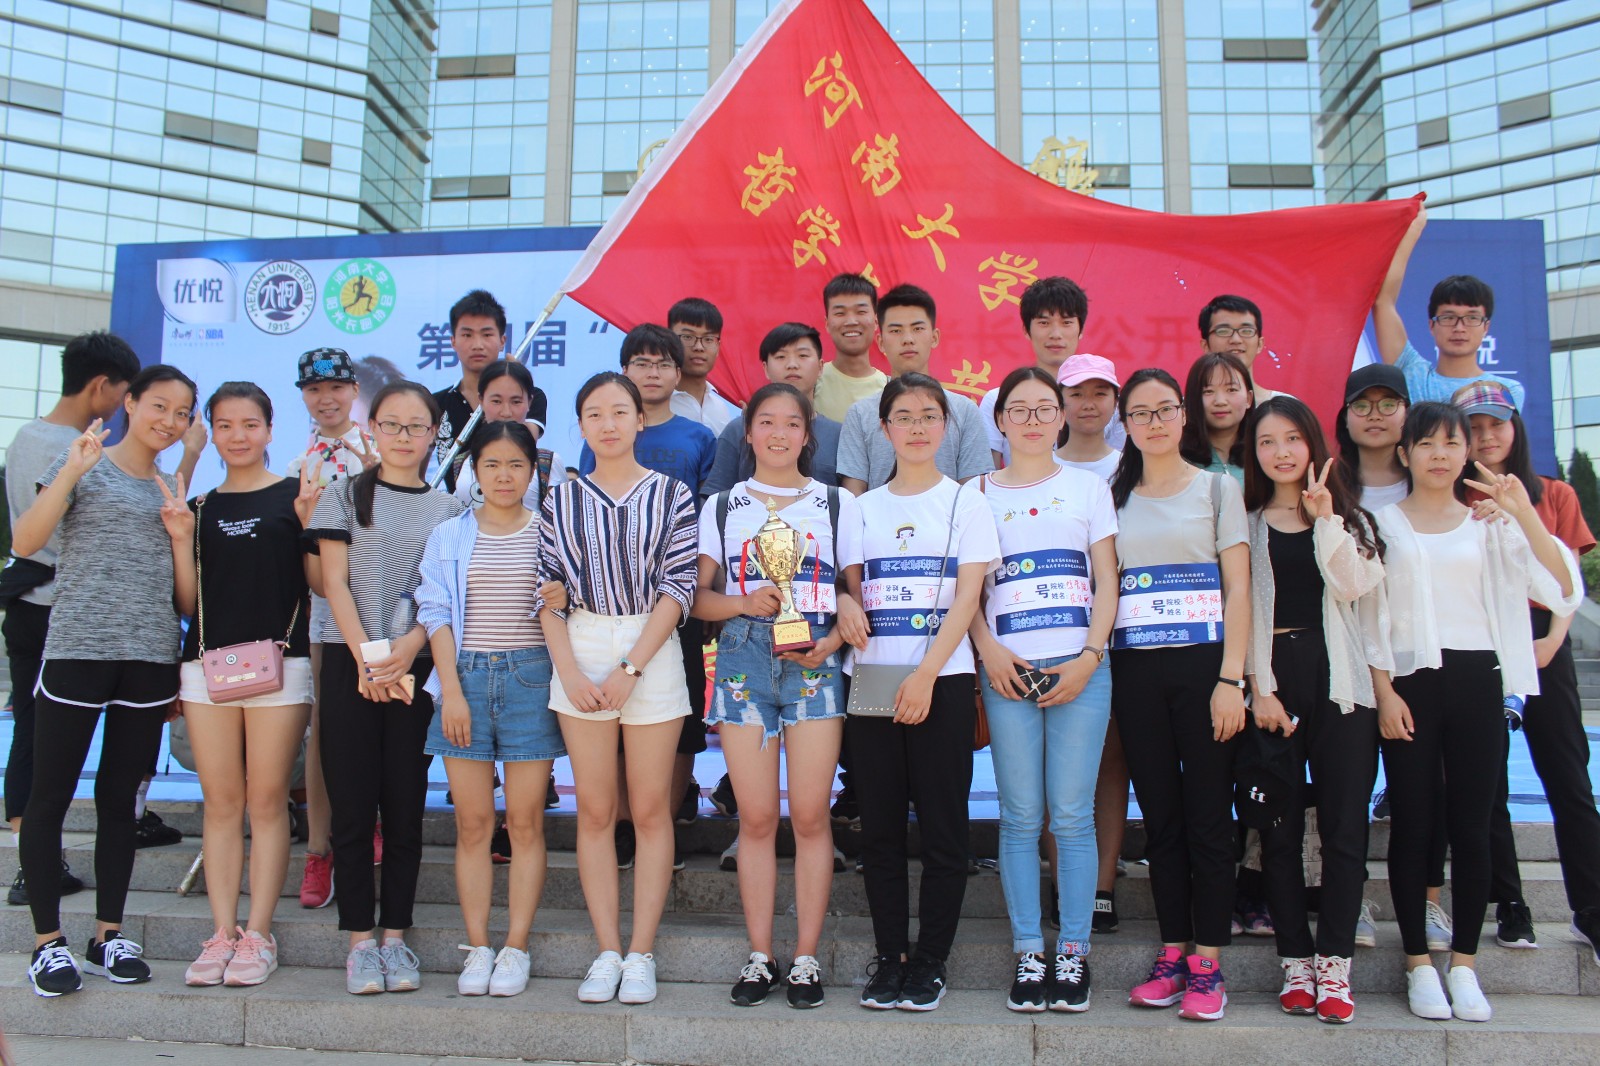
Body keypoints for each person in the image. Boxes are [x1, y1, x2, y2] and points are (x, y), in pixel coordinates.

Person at [1367, 402, 1579, 1022]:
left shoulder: (1491, 524)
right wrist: (1384, 693)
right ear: (1404, 453)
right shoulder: (1380, 524)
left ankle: (1464, 964)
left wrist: (1522, 513)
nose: (1440, 454)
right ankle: (1417, 964)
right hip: (1409, 687)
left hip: (1478, 683)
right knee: (1413, 825)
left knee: (1473, 825)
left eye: (1452, 443)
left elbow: (1562, 587)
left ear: (1467, 453)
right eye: (1426, 443)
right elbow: (1368, 617)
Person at [14, 364, 198, 997]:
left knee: (122, 803)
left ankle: (106, 936)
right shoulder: (84, 462)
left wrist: (181, 535)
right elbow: (26, 540)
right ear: (131, 403)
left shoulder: (173, 487)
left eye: (181, 413)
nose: (169, 421)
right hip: (77, 653)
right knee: (50, 798)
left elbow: (185, 603)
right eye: (159, 406)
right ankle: (47, 943)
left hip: (148, 662)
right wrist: (70, 471)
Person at [693, 383, 862, 1008]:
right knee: (758, 818)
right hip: (742, 660)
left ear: (807, 434)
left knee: (812, 816)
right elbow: (697, 600)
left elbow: (855, 595)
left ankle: (807, 958)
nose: (779, 433)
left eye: (792, 423)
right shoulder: (721, 506)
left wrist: (835, 633)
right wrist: (742, 602)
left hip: (815, 661)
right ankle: (761, 955)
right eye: (767, 422)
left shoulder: (838, 503)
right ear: (749, 433)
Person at [540, 372, 698, 1006]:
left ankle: (641, 954)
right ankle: (607, 950)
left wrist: (630, 668)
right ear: (581, 425)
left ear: (639, 419)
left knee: (652, 809)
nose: (607, 424)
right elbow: (546, 593)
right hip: (578, 645)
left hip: (650, 648)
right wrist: (571, 672)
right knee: (596, 811)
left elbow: (678, 588)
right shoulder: (558, 500)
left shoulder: (672, 494)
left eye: (619, 412)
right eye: (594, 414)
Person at [846, 373, 1001, 1012]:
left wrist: (927, 674)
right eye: (903, 417)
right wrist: (844, 602)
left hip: (944, 680)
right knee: (880, 831)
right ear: (884, 429)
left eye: (928, 416)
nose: (916, 427)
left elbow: (968, 597)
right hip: (872, 683)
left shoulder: (967, 503)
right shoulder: (860, 508)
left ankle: (931, 960)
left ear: (947, 426)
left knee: (944, 831)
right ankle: (890, 958)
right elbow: (849, 585)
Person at [305, 381, 466, 995]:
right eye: (391, 424)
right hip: (352, 664)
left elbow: (445, 596)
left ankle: (395, 938)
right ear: (372, 427)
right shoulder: (344, 495)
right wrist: (371, 660)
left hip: (415, 668)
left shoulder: (449, 509)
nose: (403, 436)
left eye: (416, 426)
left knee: (403, 808)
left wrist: (407, 650)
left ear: (434, 434)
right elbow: (334, 584)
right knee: (351, 809)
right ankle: (358, 942)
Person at [969, 367, 1117, 1013]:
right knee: (1022, 815)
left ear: (1061, 417)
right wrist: (988, 649)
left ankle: (1073, 952)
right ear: (1000, 420)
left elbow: (1106, 580)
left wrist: (1089, 657)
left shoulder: (1089, 488)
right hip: (1007, 670)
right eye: (1019, 409)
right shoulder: (974, 493)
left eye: (1043, 408)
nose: (1032, 420)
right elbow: (968, 591)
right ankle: (1030, 951)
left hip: (1081, 670)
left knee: (1073, 815)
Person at [1109, 368, 1250, 1022]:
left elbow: (1239, 590)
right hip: (1137, 673)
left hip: (1205, 671)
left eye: (1165, 409)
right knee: (1162, 819)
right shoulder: (1114, 497)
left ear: (1183, 415)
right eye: (1141, 413)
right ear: (1126, 424)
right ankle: (1172, 955)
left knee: (1209, 818)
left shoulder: (1218, 489)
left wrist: (1231, 680)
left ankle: (1208, 965)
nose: (1155, 422)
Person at [1242, 396, 1386, 1023]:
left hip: (1341, 683)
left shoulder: (1349, 518)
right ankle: (1295, 964)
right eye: (1267, 442)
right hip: (1274, 682)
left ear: (1313, 445)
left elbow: (1355, 586)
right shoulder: (1246, 523)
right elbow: (1239, 609)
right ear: (1254, 453)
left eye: (1292, 439)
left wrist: (1325, 519)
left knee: (1344, 829)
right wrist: (1259, 688)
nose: (1281, 452)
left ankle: (1334, 967)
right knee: (1277, 829)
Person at [170, 383, 315, 988]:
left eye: (250, 424)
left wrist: (309, 524)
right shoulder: (199, 508)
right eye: (225, 425)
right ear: (211, 432)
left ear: (269, 429)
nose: (238, 436)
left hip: (282, 666)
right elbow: (188, 603)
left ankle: (258, 934)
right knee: (223, 802)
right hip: (207, 669)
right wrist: (180, 537)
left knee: (267, 799)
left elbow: (317, 586)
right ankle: (221, 932)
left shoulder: (295, 497)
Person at [417, 421, 568, 999]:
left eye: (516, 464)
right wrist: (451, 692)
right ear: (473, 471)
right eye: (491, 464)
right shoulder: (450, 534)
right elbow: (436, 612)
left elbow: (569, 605)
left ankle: (516, 946)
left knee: (525, 823)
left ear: (533, 472)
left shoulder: (550, 532)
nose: (504, 475)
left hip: (531, 679)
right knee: (474, 823)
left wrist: (564, 595)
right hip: (467, 680)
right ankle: (478, 946)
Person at [1455, 383, 1600, 961]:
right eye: (1474, 428)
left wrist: (1552, 642)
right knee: (1488, 780)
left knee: (1568, 776)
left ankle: (1591, 908)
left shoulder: (1553, 493)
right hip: (1482, 641)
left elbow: (1568, 581)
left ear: (1515, 428)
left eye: (1496, 424)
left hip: (1543, 639)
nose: (1487, 437)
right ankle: (1510, 904)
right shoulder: (1453, 498)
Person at [3, 331, 139, 908]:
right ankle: (35, 864)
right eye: (125, 393)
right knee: (49, 740)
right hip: (63, 608)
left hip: (27, 602)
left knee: (29, 730)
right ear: (101, 387)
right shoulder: (80, 448)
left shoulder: (23, 437)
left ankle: (32, 858)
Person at [579, 325, 716, 866]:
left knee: (678, 722)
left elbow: (708, 519)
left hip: (677, 600)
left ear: (678, 374)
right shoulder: (600, 439)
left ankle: (665, 819)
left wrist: (703, 590)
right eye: (641, 362)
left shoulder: (699, 437)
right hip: (608, 608)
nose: (652, 372)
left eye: (662, 364)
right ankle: (621, 826)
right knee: (612, 722)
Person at [286, 347, 377, 911]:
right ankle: (319, 850)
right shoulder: (299, 465)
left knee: (383, 731)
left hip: (384, 615)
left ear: (354, 391)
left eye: (337, 388)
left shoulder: (381, 453)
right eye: (315, 390)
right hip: (324, 619)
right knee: (324, 735)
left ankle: (372, 826)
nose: (327, 399)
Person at [837, 285, 992, 494]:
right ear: (881, 342)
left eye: (917, 329)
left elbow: (973, 494)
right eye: (896, 331)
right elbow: (852, 498)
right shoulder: (860, 414)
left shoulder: (964, 410)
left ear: (934, 337)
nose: (908, 339)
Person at [1374, 205, 1526, 409]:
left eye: (1472, 318)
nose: (1459, 328)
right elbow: (1383, 302)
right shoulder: (1412, 373)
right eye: (1448, 317)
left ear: (1486, 327)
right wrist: (1413, 230)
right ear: (1432, 325)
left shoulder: (1505, 390)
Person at [433, 290, 550, 491]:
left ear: (502, 341)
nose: (477, 345)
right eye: (467, 335)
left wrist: (516, 379)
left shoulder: (529, 396)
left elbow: (522, 441)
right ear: (453, 341)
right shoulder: (435, 404)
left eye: (487, 334)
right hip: (454, 507)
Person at [704, 322, 842, 493]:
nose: (792, 364)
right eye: (781, 357)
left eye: (802, 355)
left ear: (820, 367)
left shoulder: (838, 435)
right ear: (766, 368)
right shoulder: (739, 429)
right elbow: (715, 495)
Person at [977, 276, 1090, 466]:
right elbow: (988, 474)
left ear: (1081, 329)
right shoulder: (998, 400)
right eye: (1044, 323)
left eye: (1066, 322)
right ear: (1026, 330)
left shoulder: (1103, 403)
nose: (1056, 334)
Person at [452, 360, 567, 511]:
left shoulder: (548, 463)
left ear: (529, 402)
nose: (506, 412)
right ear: (481, 401)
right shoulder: (462, 462)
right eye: (496, 401)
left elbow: (561, 520)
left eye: (516, 401)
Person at [1336, 363, 1412, 514]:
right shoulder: (1329, 485)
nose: (1375, 416)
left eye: (1388, 405)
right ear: (1345, 418)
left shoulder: (1425, 481)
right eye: (1361, 406)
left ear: (1406, 414)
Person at [813, 273, 887, 422]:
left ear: (876, 321)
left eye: (861, 312)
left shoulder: (889, 388)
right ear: (827, 323)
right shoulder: (812, 383)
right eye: (840, 313)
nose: (851, 321)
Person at [667, 297, 740, 433]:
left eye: (708, 339)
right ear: (669, 341)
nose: (699, 347)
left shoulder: (721, 409)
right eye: (688, 337)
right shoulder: (657, 403)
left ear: (718, 347)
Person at [1179, 352, 1254, 485]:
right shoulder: (1177, 457)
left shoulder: (1263, 453)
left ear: (1249, 399)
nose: (1220, 401)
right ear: (1191, 399)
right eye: (1208, 391)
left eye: (1231, 390)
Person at [1197, 295, 1285, 404]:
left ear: (1260, 344)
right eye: (1223, 331)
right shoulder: (1187, 408)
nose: (1236, 340)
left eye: (1246, 331)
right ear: (1205, 345)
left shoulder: (1285, 407)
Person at [1054, 355, 1123, 482]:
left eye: (1100, 394)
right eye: (1077, 394)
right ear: (1059, 403)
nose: (1089, 405)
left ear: (1115, 403)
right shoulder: (1041, 467)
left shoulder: (1129, 469)